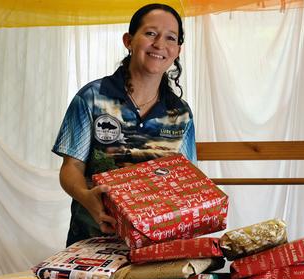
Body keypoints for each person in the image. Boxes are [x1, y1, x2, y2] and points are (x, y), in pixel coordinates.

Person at [52, 3, 197, 246]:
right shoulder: (92, 97)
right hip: (94, 235)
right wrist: (89, 200)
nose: (160, 44)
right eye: (150, 33)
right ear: (129, 40)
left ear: (178, 50)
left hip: (155, 241)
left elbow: (186, 180)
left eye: (170, 38)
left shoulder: (181, 114)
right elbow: (71, 167)